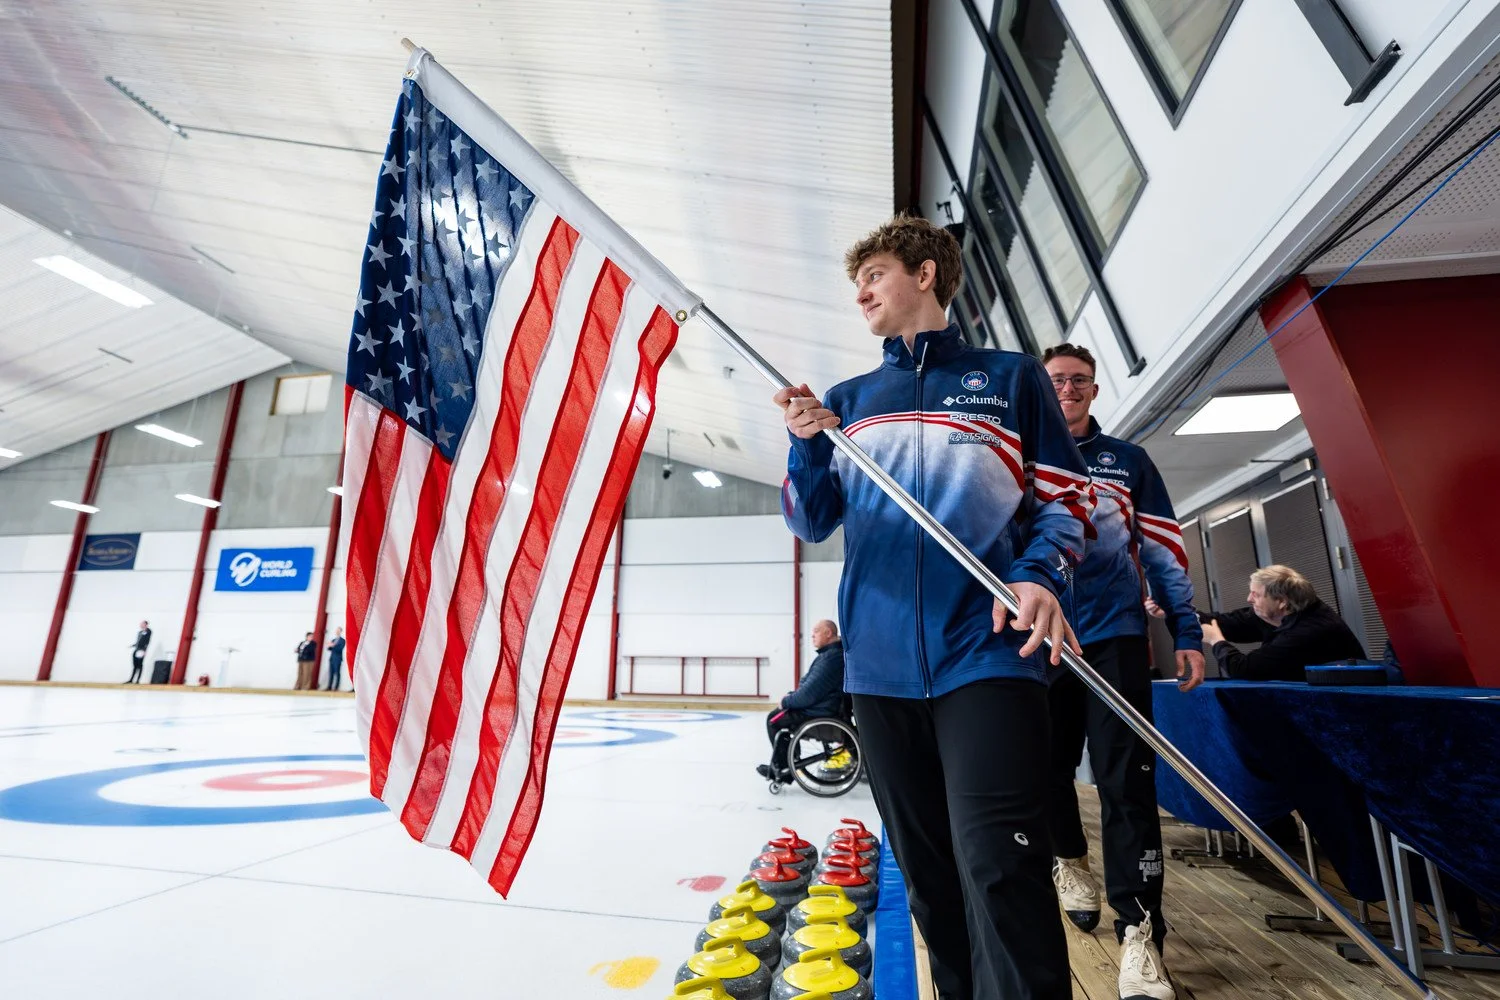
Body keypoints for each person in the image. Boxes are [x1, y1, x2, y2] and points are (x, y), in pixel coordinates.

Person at [775, 214, 1091, 1000]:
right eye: (857, 283)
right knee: (927, 881)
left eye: (874, 274)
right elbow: (810, 518)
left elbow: (1065, 500)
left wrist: (1043, 575)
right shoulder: (850, 401)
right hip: (879, 670)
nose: (861, 293)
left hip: (987, 653)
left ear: (924, 274)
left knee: (1000, 867)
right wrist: (808, 442)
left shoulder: (1011, 379)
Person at [1042, 343, 1204, 1000]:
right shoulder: (1017, 460)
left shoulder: (1127, 462)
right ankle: (1070, 859)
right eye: (1056, 380)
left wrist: (1186, 629)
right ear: (1038, 387)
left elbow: (1164, 550)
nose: (1069, 390)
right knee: (1042, 773)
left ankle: (1141, 933)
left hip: (1114, 641)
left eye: (1080, 380)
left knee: (1127, 786)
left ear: (1095, 389)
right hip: (1041, 640)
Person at [1201, 565, 1364, 680]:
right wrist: (1182, 613)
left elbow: (1243, 669)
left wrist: (1216, 640)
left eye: (1255, 594)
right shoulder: (1279, 611)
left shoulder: (1309, 631)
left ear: (1281, 601)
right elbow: (1224, 623)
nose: (1249, 599)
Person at [757, 619, 845, 780]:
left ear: (828, 633)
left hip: (818, 711)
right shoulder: (830, 655)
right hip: (820, 707)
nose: (812, 635)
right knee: (779, 716)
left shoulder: (830, 659)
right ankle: (786, 763)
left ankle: (785, 769)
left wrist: (786, 701)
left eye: (817, 631)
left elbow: (808, 695)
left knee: (773, 719)